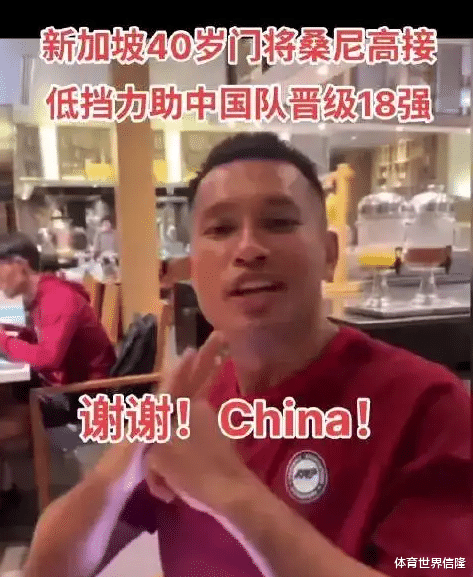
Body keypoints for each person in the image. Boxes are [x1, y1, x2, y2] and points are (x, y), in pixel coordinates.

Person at [22, 133, 471, 577]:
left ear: (329, 254)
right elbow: (50, 569)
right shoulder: (195, 401)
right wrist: (128, 453)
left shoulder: (428, 406)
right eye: (220, 229)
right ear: (193, 268)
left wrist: (232, 492)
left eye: (279, 222)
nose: (248, 248)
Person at [0, 233, 116, 512]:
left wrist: (3, 340)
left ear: (20, 265)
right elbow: (45, 341)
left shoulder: (57, 298)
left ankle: (9, 492)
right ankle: (7, 488)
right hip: (67, 391)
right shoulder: (44, 296)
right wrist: (17, 334)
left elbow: (48, 358)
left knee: (5, 413)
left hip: (84, 400)